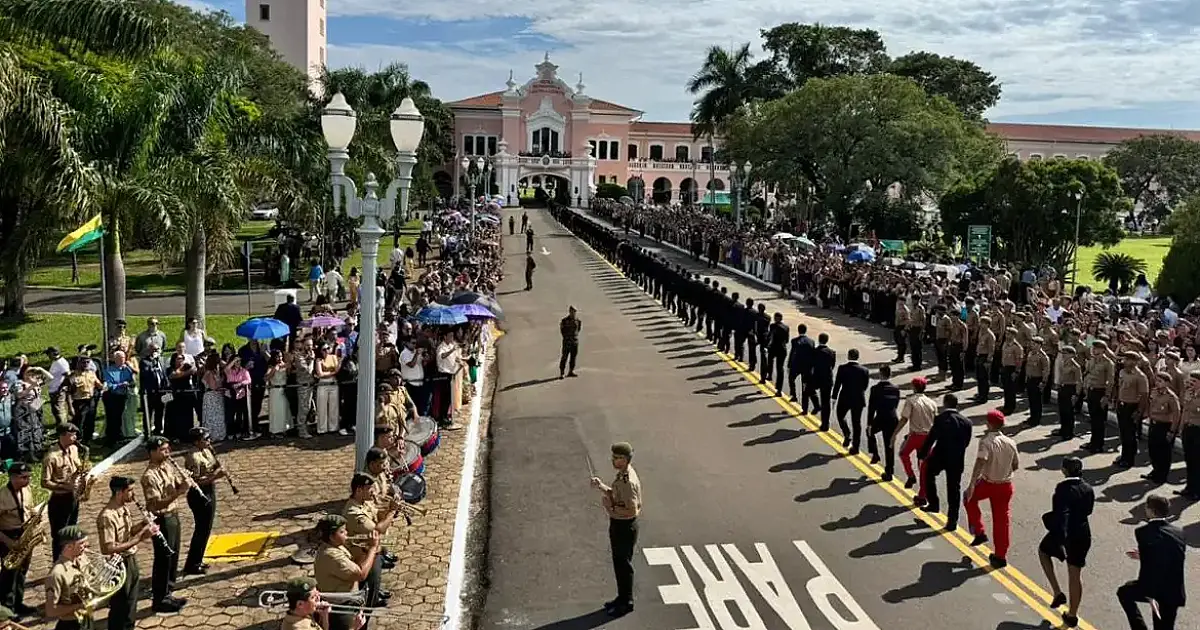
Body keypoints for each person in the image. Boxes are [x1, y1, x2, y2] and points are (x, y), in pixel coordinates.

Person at [1038, 456, 1094, 629]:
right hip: (1083, 532)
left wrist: (1059, 538)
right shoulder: (1088, 488)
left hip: (1066, 533)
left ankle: (1057, 591)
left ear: (1064, 470)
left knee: (1043, 551)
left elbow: (1060, 513)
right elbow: (1089, 510)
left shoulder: (1062, 489)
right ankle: (1072, 614)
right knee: (1075, 574)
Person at [1116, 494, 1186, 630]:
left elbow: (1150, 567)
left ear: (1152, 511)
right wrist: (1145, 555)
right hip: (1174, 590)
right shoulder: (1179, 533)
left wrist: (1148, 591)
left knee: (1124, 593)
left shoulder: (1143, 532)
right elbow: (1170, 554)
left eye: (1147, 507)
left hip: (1155, 589)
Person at [97, 476, 158, 629]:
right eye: (130, 490)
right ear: (119, 492)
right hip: (118, 564)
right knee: (120, 605)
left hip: (131, 559)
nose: (133, 494)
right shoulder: (107, 516)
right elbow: (108, 548)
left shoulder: (123, 508)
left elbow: (128, 532)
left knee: (131, 602)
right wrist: (140, 538)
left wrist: (144, 524)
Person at [590, 442, 641, 617]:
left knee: (623, 565)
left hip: (624, 525)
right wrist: (602, 487)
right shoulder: (622, 475)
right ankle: (621, 597)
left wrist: (609, 508)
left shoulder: (627, 481)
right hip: (620, 524)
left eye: (618, 458)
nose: (614, 460)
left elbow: (630, 509)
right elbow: (617, 493)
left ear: (626, 460)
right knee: (619, 564)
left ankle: (626, 602)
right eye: (613, 457)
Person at [140, 437, 189, 612]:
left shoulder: (167, 466)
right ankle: (160, 599)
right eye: (163, 450)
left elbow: (176, 485)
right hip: (162, 518)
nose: (167, 453)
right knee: (163, 558)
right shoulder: (149, 476)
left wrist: (184, 482)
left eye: (168, 449)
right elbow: (155, 505)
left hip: (173, 515)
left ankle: (169, 592)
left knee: (173, 555)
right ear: (152, 452)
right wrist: (178, 493)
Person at [965, 409, 1019, 568]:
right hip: (1006, 485)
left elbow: (980, 462)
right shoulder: (1010, 442)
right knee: (1002, 521)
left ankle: (979, 531)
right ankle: (1000, 556)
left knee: (968, 498)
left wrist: (972, 484)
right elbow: (1015, 465)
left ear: (989, 424)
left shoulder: (986, 441)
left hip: (989, 483)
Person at [916, 393, 973, 529]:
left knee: (929, 473)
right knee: (954, 488)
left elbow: (932, 438)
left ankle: (934, 503)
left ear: (945, 403)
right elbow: (967, 442)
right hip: (957, 459)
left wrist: (923, 453)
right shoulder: (967, 422)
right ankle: (952, 521)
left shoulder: (940, 419)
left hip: (940, 456)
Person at [312, 515, 378, 630]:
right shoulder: (331, 555)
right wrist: (372, 548)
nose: (347, 533)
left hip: (349, 600)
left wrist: (363, 550)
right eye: (342, 531)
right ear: (332, 537)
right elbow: (361, 574)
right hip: (342, 608)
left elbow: (354, 563)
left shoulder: (336, 546)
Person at [341, 474, 393, 610]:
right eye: (370, 489)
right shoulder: (353, 512)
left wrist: (390, 508)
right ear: (359, 490)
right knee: (369, 580)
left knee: (375, 578)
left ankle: (375, 593)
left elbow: (378, 514)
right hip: (362, 554)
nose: (373, 492)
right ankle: (371, 602)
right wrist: (392, 512)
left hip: (371, 548)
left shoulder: (365, 502)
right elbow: (378, 530)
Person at [182, 428, 225, 575]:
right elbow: (196, 481)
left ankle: (198, 559)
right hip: (199, 494)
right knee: (201, 530)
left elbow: (213, 466)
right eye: (205, 439)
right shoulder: (193, 457)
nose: (208, 441)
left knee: (206, 529)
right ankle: (192, 564)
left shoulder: (206, 450)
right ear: (196, 442)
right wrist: (215, 476)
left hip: (209, 490)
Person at [41, 424, 85, 561]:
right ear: (63, 435)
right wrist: (64, 486)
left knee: (72, 531)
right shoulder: (51, 456)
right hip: (59, 500)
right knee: (60, 535)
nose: (75, 437)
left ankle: (70, 558)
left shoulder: (74, 449)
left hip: (73, 497)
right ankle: (58, 562)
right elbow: (44, 482)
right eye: (72, 435)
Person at [0, 463, 36, 618]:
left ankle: (18, 604)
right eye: (23, 478)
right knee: (9, 575)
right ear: (13, 477)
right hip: (9, 537)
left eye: (28, 477)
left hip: (24, 535)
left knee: (21, 572)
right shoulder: (1, 496)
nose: (27, 480)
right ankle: (7, 610)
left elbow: (30, 508)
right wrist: (7, 541)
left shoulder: (27, 490)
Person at [43, 526, 92, 629]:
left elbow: (94, 578)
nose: (86, 545)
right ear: (69, 547)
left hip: (87, 618)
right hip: (70, 624)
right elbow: (51, 611)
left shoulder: (83, 558)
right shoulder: (56, 574)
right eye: (81, 543)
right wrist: (78, 606)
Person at [896, 377, 937, 496]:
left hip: (915, 436)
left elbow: (904, 419)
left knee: (903, 454)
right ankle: (922, 494)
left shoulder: (910, 401)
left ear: (914, 387)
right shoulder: (932, 403)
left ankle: (911, 475)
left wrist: (895, 434)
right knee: (924, 467)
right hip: (927, 437)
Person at [279, 577, 364, 630]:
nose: (318, 598)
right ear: (300, 604)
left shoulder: (300, 614)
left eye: (317, 594)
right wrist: (355, 628)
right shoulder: (300, 627)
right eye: (313, 597)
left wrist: (324, 616)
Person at [866, 365, 902, 481]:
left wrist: (869, 423)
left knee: (870, 433)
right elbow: (896, 404)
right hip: (892, 419)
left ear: (880, 374)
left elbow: (871, 408)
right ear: (890, 375)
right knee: (889, 446)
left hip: (880, 417)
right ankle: (889, 472)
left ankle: (875, 453)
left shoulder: (875, 389)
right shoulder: (896, 389)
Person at [832, 348, 869, 452]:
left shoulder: (842, 368)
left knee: (840, 416)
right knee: (856, 423)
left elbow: (837, 384)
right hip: (858, 399)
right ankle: (856, 447)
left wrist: (834, 397)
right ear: (858, 357)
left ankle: (847, 433)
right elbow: (865, 386)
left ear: (848, 356)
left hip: (845, 398)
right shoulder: (864, 370)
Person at [559, 306, 582, 379]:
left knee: (573, 357)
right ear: (569, 312)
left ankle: (571, 371)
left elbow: (578, 330)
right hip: (567, 342)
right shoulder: (564, 321)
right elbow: (562, 331)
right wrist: (567, 337)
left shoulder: (578, 321)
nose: (573, 313)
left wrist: (574, 338)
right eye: (572, 312)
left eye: (574, 312)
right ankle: (562, 373)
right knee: (564, 357)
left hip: (575, 342)